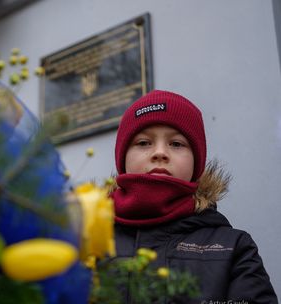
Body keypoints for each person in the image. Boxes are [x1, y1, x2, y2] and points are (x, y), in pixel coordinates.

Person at [111, 90, 278, 303]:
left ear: (196, 162)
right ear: (123, 158)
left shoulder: (234, 247)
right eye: (144, 143)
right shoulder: (85, 243)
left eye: (177, 143)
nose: (160, 152)